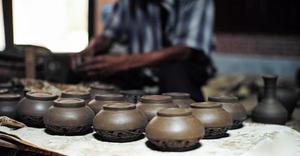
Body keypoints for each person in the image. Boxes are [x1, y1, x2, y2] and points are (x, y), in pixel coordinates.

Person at [72, 0, 216, 101]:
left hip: (183, 68)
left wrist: (124, 62)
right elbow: (109, 34)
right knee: (88, 71)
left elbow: (184, 50)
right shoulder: (128, 2)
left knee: (175, 73)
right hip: (141, 70)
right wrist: (91, 48)